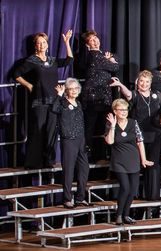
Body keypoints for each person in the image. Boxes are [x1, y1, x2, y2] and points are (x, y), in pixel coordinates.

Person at [13, 30, 74, 169]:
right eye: (39, 43)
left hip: (54, 101)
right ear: (36, 46)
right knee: (38, 130)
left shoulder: (52, 60)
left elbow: (69, 60)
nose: (42, 45)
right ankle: (33, 162)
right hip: (39, 101)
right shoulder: (32, 61)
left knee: (52, 131)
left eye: (44, 43)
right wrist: (28, 85)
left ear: (47, 45)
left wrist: (66, 43)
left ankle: (49, 161)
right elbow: (16, 74)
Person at [114, 71, 161, 201]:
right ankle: (132, 195)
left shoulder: (157, 95)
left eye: (147, 82)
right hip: (139, 134)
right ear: (137, 82)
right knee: (136, 164)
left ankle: (152, 195)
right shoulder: (135, 95)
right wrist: (120, 84)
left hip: (155, 133)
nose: (144, 84)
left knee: (153, 164)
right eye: (141, 81)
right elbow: (127, 94)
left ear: (150, 83)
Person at [105, 98, 153, 225]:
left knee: (133, 190)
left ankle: (126, 215)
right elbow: (110, 141)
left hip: (133, 160)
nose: (124, 112)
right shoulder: (110, 124)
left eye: (125, 109)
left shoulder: (133, 123)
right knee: (125, 188)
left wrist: (143, 159)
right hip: (119, 161)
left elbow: (140, 142)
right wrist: (113, 126)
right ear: (115, 111)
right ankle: (119, 215)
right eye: (121, 110)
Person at [77, 31, 119, 161]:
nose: (95, 41)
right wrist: (111, 60)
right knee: (92, 126)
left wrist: (110, 59)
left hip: (101, 96)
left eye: (96, 38)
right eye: (91, 40)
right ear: (87, 44)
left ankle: (99, 154)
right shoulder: (94, 55)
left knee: (100, 126)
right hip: (94, 97)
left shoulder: (100, 54)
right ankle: (88, 154)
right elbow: (115, 67)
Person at [51, 78, 89, 208]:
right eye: (71, 89)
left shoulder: (79, 103)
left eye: (76, 89)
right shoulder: (62, 103)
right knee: (69, 170)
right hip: (69, 140)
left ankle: (80, 197)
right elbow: (54, 109)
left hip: (80, 140)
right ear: (67, 90)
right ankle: (67, 198)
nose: (74, 91)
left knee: (84, 169)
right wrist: (59, 95)